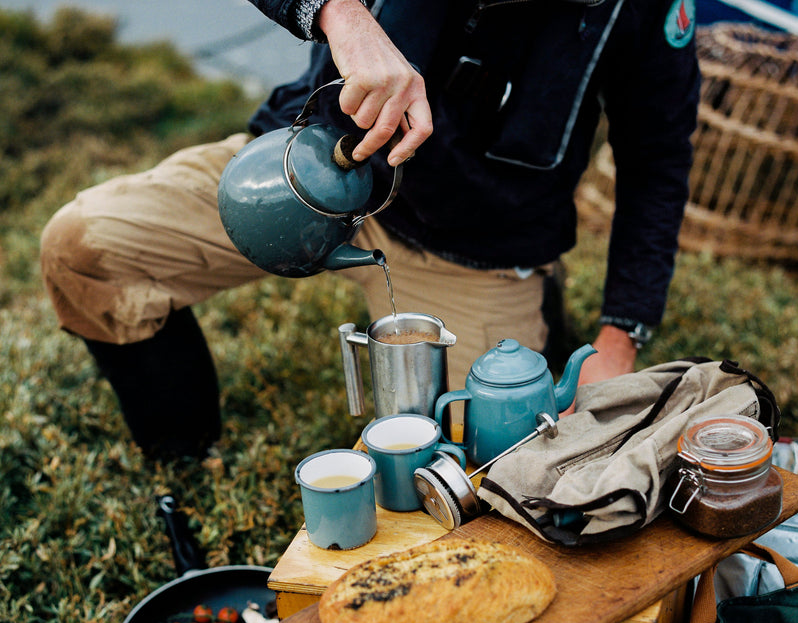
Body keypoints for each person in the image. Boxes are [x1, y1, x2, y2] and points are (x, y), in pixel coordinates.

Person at [40, 0, 700, 461]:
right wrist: (342, 15)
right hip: (310, 165)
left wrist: (621, 338)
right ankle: (183, 453)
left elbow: (658, 160)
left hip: (474, 243)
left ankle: (537, 304)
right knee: (85, 250)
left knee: (489, 458)